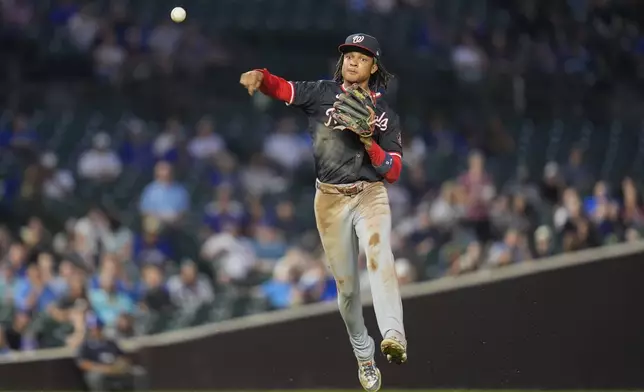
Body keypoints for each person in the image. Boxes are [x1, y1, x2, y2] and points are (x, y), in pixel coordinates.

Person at [239, 33, 406, 392]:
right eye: (349, 55)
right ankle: (364, 354)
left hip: (369, 193)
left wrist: (367, 142)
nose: (353, 61)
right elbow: (283, 89)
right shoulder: (321, 93)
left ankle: (393, 334)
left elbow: (392, 171)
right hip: (329, 199)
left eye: (362, 57)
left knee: (380, 255)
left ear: (374, 66)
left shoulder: (386, 117)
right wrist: (261, 77)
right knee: (346, 291)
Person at [76, 312, 146, 391]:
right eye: (93, 329)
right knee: (97, 378)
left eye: (98, 328)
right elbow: (83, 363)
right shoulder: (85, 345)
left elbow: (122, 356)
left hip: (114, 369)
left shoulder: (110, 343)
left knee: (139, 373)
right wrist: (103, 369)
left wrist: (122, 364)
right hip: (99, 371)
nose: (96, 331)